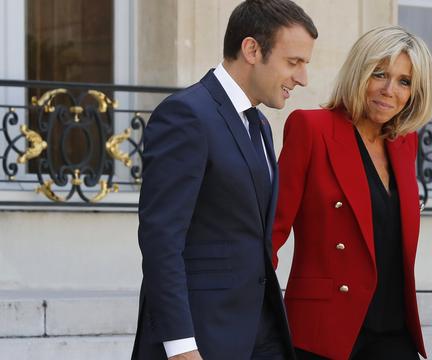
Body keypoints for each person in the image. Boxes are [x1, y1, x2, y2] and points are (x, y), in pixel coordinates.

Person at [132, 1, 317, 359]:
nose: (302, 78)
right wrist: (183, 347)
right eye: (294, 62)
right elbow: (161, 241)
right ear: (251, 49)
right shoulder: (186, 114)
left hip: (260, 334)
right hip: (203, 339)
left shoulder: (260, 124)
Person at [272, 25, 432, 360]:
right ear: (359, 72)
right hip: (323, 331)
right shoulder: (311, 128)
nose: (389, 90)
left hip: (393, 331)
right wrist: (247, 312)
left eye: (404, 81)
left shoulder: (405, 143)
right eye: (380, 74)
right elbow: (273, 229)